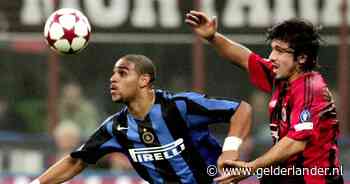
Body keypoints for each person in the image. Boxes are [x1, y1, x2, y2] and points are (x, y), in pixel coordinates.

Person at [30, 54, 252, 184]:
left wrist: (231, 149)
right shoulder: (116, 127)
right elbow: (76, 160)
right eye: (113, 74)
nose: (113, 79)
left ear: (144, 80)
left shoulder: (179, 106)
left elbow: (241, 109)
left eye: (122, 73)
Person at [186, 11, 343, 184]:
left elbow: (296, 142)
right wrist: (212, 37)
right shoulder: (281, 77)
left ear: (302, 58)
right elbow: (244, 58)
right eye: (273, 49)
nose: (272, 57)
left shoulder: (311, 89)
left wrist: (251, 167)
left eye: (280, 51)